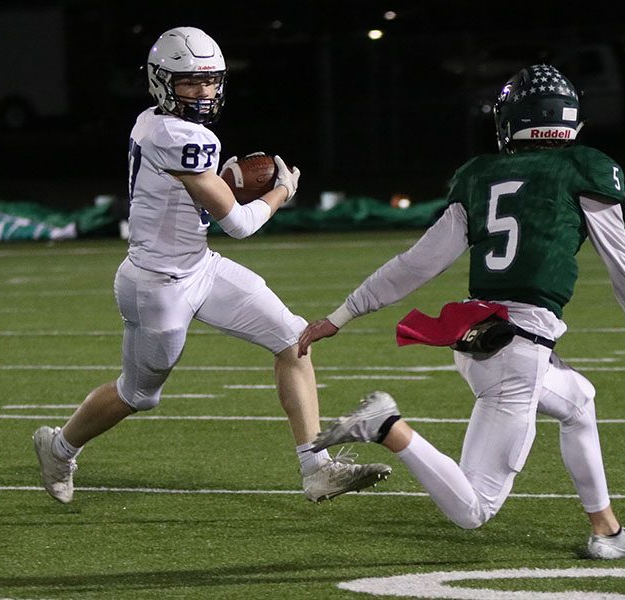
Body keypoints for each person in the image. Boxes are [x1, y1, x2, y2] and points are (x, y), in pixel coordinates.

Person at [298, 64, 625, 559]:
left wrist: (342, 314)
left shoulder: (480, 175)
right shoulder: (583, 167)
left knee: (579, 401)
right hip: (517, 353)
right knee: (474, 509)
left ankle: (606, 532)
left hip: (486, 336)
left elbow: (416, 264)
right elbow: (621, 265)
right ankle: (387, 427)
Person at [33, 26, 390, 505]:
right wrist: (282, 190)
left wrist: (220, 182)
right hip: (158, 283)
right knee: (139, 395)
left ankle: (317, 468)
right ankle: (58, 447)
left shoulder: (155, 122)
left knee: (293, 339)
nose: (204, 93)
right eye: (190, 83)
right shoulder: (176, 134)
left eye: (211, 82)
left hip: (200, 266)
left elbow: (187, 196)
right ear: (162, 82)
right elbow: (240, 225)